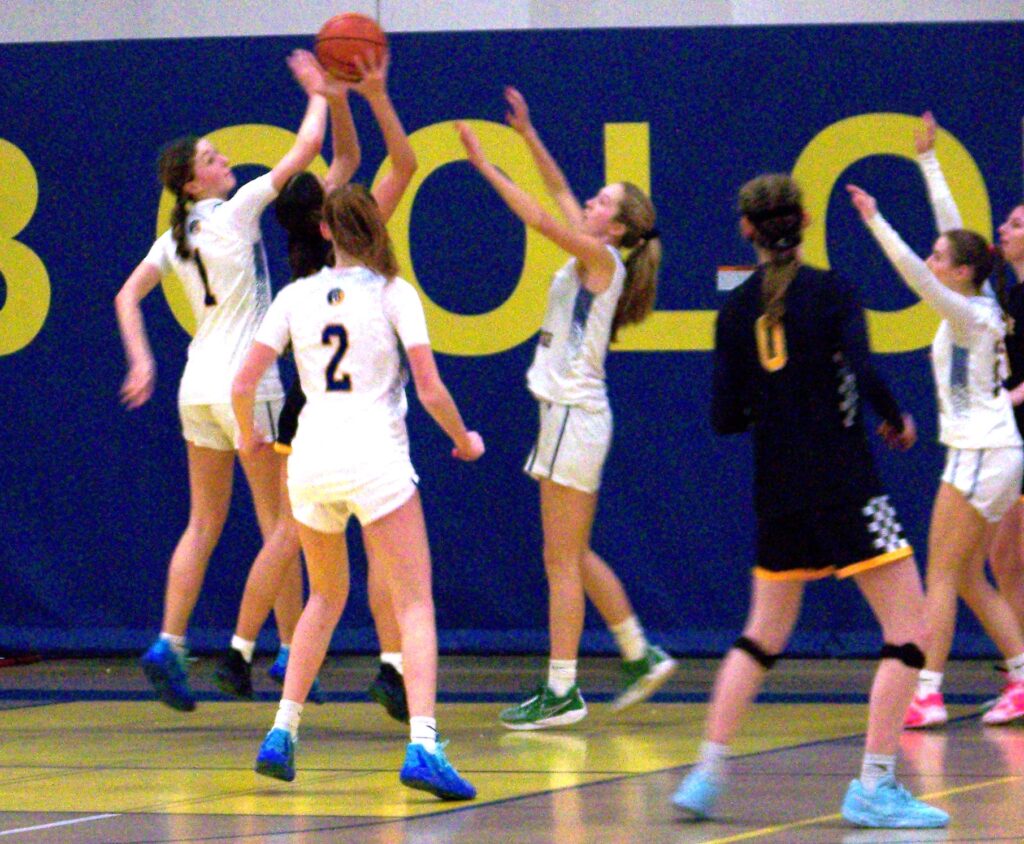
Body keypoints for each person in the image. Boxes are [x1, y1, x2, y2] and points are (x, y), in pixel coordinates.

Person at [673, 173, 947, 829]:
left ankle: (707, 771)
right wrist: (896, 419)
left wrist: (772, 402)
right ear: (804, 221)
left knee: (762, 634)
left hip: (779, 490)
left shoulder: (735, 312)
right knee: (912, 629)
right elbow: (865, 368)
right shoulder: (832, 292)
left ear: (747, 230)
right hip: (845, 482)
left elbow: (723, 417)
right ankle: (875, 786)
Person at [232, 181, 483, 798]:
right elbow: (429, 389)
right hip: (374, 457)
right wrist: (465, 437)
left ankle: (281, 731)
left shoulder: (295, 295)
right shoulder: (397, 294)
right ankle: (423, 743)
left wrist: (247, 438)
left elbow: (244, 383)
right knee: (414, 602)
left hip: (311, 461)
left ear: (324, 231)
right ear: (375, 226)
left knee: (324, 597)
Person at [456, 87, 676, 730]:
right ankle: (638, 652)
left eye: (602, 201)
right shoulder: (599, 248)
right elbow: (556, 192)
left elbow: (542, 218)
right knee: (573, 554)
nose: (588, 200)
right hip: (570, 419)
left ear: (618, 227)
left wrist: (486, 167)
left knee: (560, 561)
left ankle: (562, 691)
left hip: (572, 417)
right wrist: (526, 134)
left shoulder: (599, 256)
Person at [114, 53, 328, 712]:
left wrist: (141, 360)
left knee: (203, 523)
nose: (222, 159)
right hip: (248, 386)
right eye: (210, 158)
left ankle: (169, 642)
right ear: (193, 182)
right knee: (281, 526)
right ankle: (292, 653)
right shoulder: (235, 212)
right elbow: (308, 148)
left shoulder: (172, 236)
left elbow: (127, 296)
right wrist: (318, 91)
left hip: (192, 388)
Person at [213, 50, 415, 722]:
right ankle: (391, 663)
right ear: (328, 212)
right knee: (381, 545)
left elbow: (347, 159)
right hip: (357, 413)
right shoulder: (358, 244)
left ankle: (243, 648)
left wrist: (335, 97)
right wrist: (350, 94)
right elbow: (392, 163)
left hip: (306, 413)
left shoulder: (306, 253)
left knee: (292, 540)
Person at [849, 119, 1024, 731]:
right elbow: (954, 236)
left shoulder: (968, 311)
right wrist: (927, 162)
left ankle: (925, 690)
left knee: (943, 573)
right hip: (986, 450)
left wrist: (874, 220)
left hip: (983, 451)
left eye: (941, 258)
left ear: (958, 272)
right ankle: (1023, 678)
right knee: (971, 576)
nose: (933, 256)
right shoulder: (974, 302)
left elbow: (918, 274)